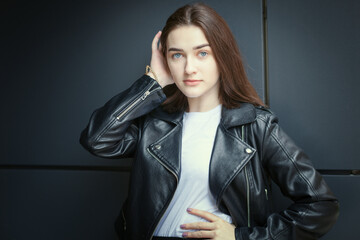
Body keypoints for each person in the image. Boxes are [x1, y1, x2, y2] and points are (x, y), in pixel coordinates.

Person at [80, 3, 339, 240]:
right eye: (177, 55)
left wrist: (242, 237)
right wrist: (152, 83)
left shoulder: (255, 125)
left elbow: (320, 205)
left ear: (221, 57)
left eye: (202, 53)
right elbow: (97, 140)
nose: (189, 68)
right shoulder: (154, 124)